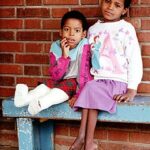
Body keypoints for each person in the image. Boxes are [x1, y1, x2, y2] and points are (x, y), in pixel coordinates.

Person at [70, 0, 143, 149]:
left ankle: (85, 141)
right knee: (90, 87)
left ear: (124, 10)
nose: (110, 7)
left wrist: (132, 89)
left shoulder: (126, 28)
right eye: (108, 1)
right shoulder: (93, 30)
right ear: (101, 2)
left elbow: (134, 58)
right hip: (97, 83)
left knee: (91, 89)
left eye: (117, 5)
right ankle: (84, 139)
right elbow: (87, 61)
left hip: (117, 83)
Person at [14, 10, 92, 115]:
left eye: (77, 30)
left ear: (83, 34)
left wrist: (78, 96)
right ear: (61, 32)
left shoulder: (84, 45)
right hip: (58, 80)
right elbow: (56, 77)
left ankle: (41, 103)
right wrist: (64, 56)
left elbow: (84, 75)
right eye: (67, 29)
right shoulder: (55, 46)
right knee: (44, 87)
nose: (71, 34)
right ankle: (22, 100)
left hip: (75, 83)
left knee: (59, 90)